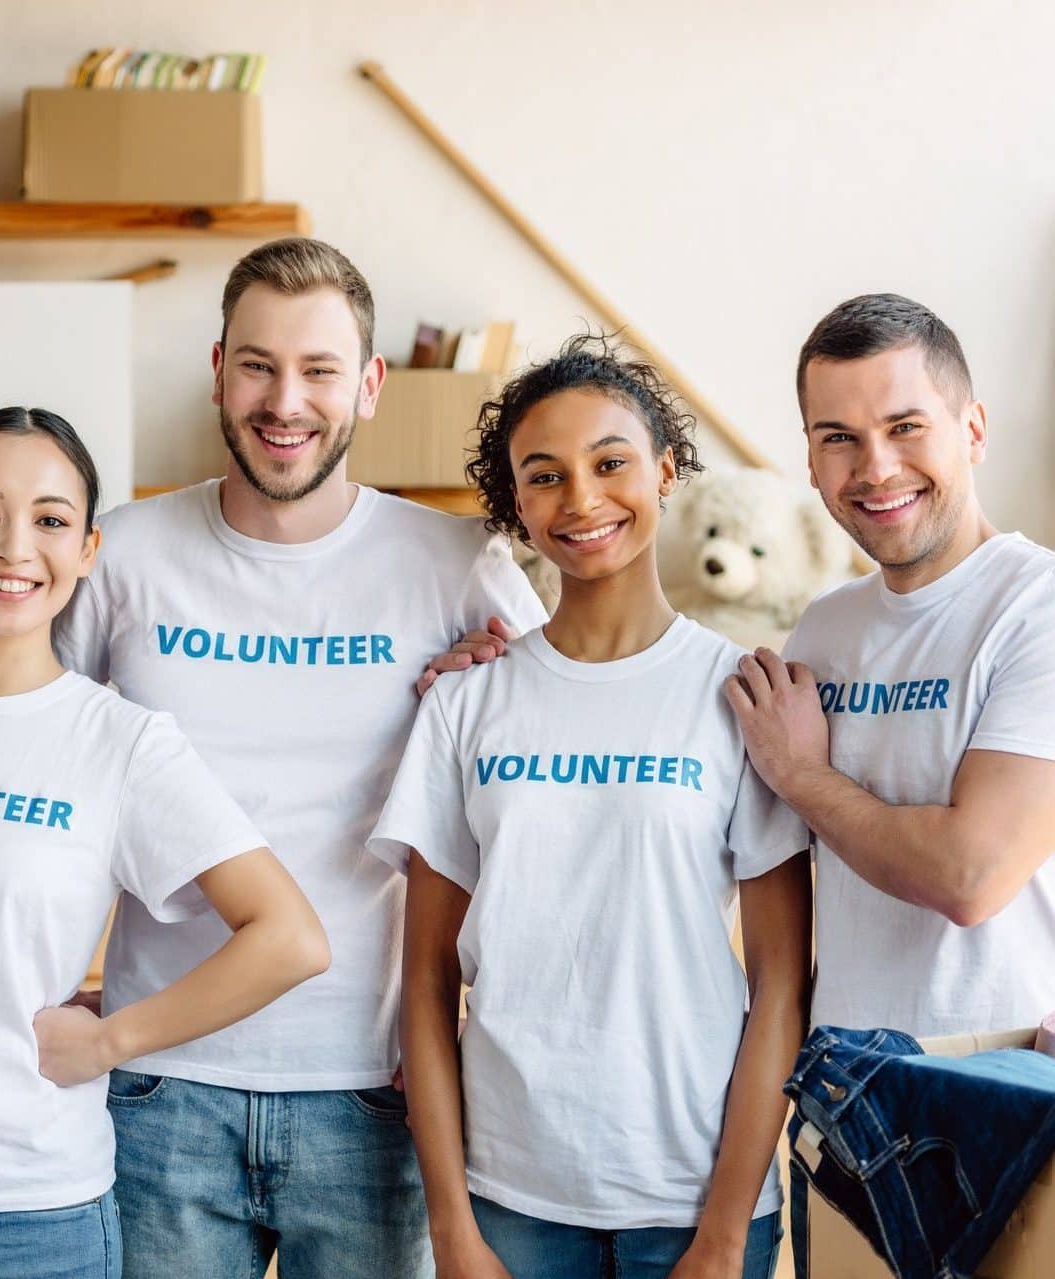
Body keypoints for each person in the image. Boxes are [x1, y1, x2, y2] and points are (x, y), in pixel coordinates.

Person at [52, 237, 547, 1279]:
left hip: (377, 1086)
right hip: (157, 1085)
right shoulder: (122, 554)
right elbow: (32, 756)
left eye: (320, 369)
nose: (287, 400)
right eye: (259, 366)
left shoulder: (458, 565)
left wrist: (491, 699)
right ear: (219, 369)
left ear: (368, 386)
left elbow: (561, 756)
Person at [369, 336, 813, 1279]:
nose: (581, 498)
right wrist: (452, 1227)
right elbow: (423, 980)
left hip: (694, 1196)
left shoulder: (737, 694)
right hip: (509, 1200)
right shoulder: (468, 700)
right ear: (516, 507)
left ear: (663, 470)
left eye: (610, 463)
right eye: (544, 476)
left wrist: (726, 1231)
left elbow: (781, 983)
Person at [0, 408, 329, 1279]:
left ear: (86, 551)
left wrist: (113, 1040)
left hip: (31, 1219)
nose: (12, 546)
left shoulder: (121, 744)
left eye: (48, 520)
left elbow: (289, 937)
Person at [723, 293, 1055, 1275]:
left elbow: (971, 873)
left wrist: (802, 774)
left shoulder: (1034, 609)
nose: (873, 467)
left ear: (972, 429)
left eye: (904, 427)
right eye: (837, 437)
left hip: (1004, 1084)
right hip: (845, 1096)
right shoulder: (821, 632)